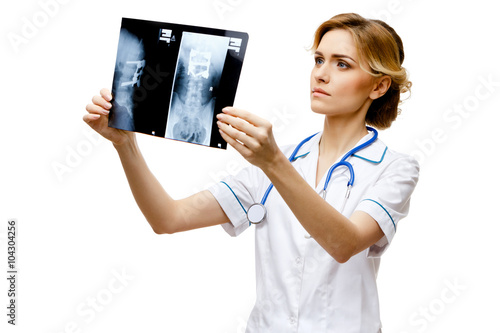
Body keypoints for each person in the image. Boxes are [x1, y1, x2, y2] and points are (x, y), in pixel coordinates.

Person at [84, 13, 419, 333]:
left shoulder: (394, 168)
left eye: (341, 64)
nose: (320, 74)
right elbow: (168, 219)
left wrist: (273, 163)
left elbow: (344, 244)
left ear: (378, 87)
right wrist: (124, 145)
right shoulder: (279, 161)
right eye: (318, 60)